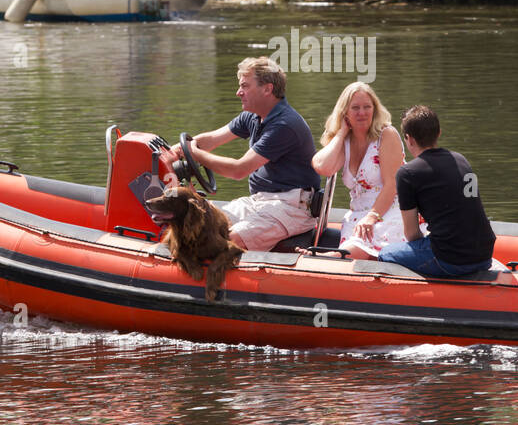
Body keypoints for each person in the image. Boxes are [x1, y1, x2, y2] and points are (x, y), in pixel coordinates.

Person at [173, 57, 321, 251]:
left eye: (244, 86)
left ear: (267, 89)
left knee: (228, 239)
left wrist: (195, 154)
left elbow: (238, 170)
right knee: (200, 224)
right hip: (260, 201)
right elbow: (211, 139)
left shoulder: (284, 125)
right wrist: (172, 152)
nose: (238, 92)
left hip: (291, 208)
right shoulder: (253, 116)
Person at [377, 105, 496, 277]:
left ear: (409, 139)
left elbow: (411, 234)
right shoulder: (460, 159)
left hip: (451, 259)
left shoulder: (407, 173)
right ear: (439, 132)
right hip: (485, 254)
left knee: (386, 254)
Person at [311, 82, 415, 259]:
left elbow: (392, 185)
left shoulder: (386, 135)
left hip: (389, 211)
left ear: (375, 109)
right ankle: (330, 259)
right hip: (357, 216)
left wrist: (372, 217)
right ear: (345, 113)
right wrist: (342, 132)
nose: (362, 113)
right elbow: (323, 167)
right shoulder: (345, 142)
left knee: (352, 251)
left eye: (367, 107)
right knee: (352, 248)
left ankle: (328, 258)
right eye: (355, 108)